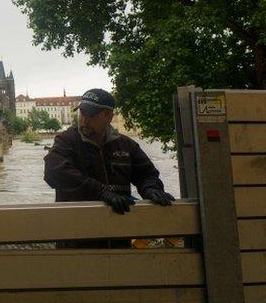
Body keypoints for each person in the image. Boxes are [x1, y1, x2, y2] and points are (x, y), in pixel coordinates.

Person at [44, 88, 174, 212]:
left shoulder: (126, 145)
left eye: (91, 115)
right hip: (76, 225)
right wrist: (101, 192)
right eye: (82, 113)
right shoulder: (66, 141)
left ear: (108, 116)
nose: (84, 120)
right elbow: (54, 172)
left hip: (117, 224)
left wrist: (151, 189)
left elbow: (146, 174)